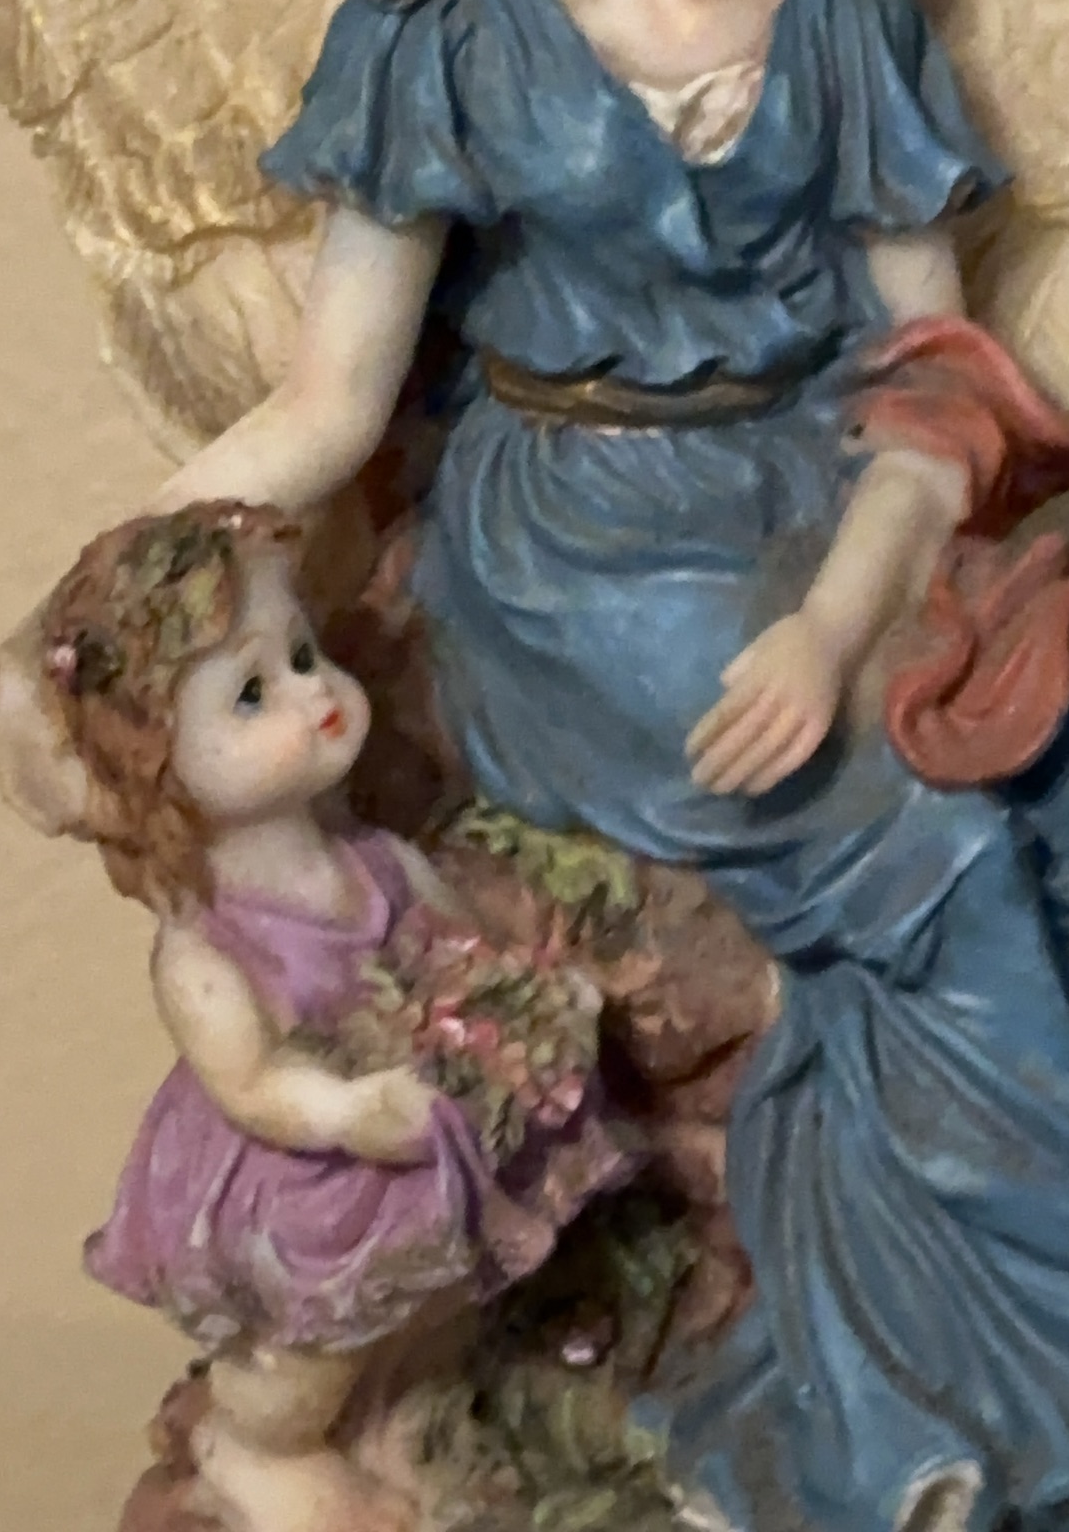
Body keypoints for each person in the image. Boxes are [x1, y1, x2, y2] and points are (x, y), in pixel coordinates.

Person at [0, 0, 1069, 1532]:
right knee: (935, 846)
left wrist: (835, 623)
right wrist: (86, 614)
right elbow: (330, 402)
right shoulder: (442, 6)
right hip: (571, 550)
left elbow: (926, 380)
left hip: (817, 510)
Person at [37, 501, 629, 1532]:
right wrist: (347, 1114)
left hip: (421, 1119)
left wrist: (527, 993)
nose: (312, 693)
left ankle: (413, 1393)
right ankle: (257, 1450)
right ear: (155, 763)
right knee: (303, 1350)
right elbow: (251, 1084)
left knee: (428, 1293)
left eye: (304, 656)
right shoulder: (205, 950)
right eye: (253, 693)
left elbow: (454, 945)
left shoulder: (374, 862)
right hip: (301, 1181)